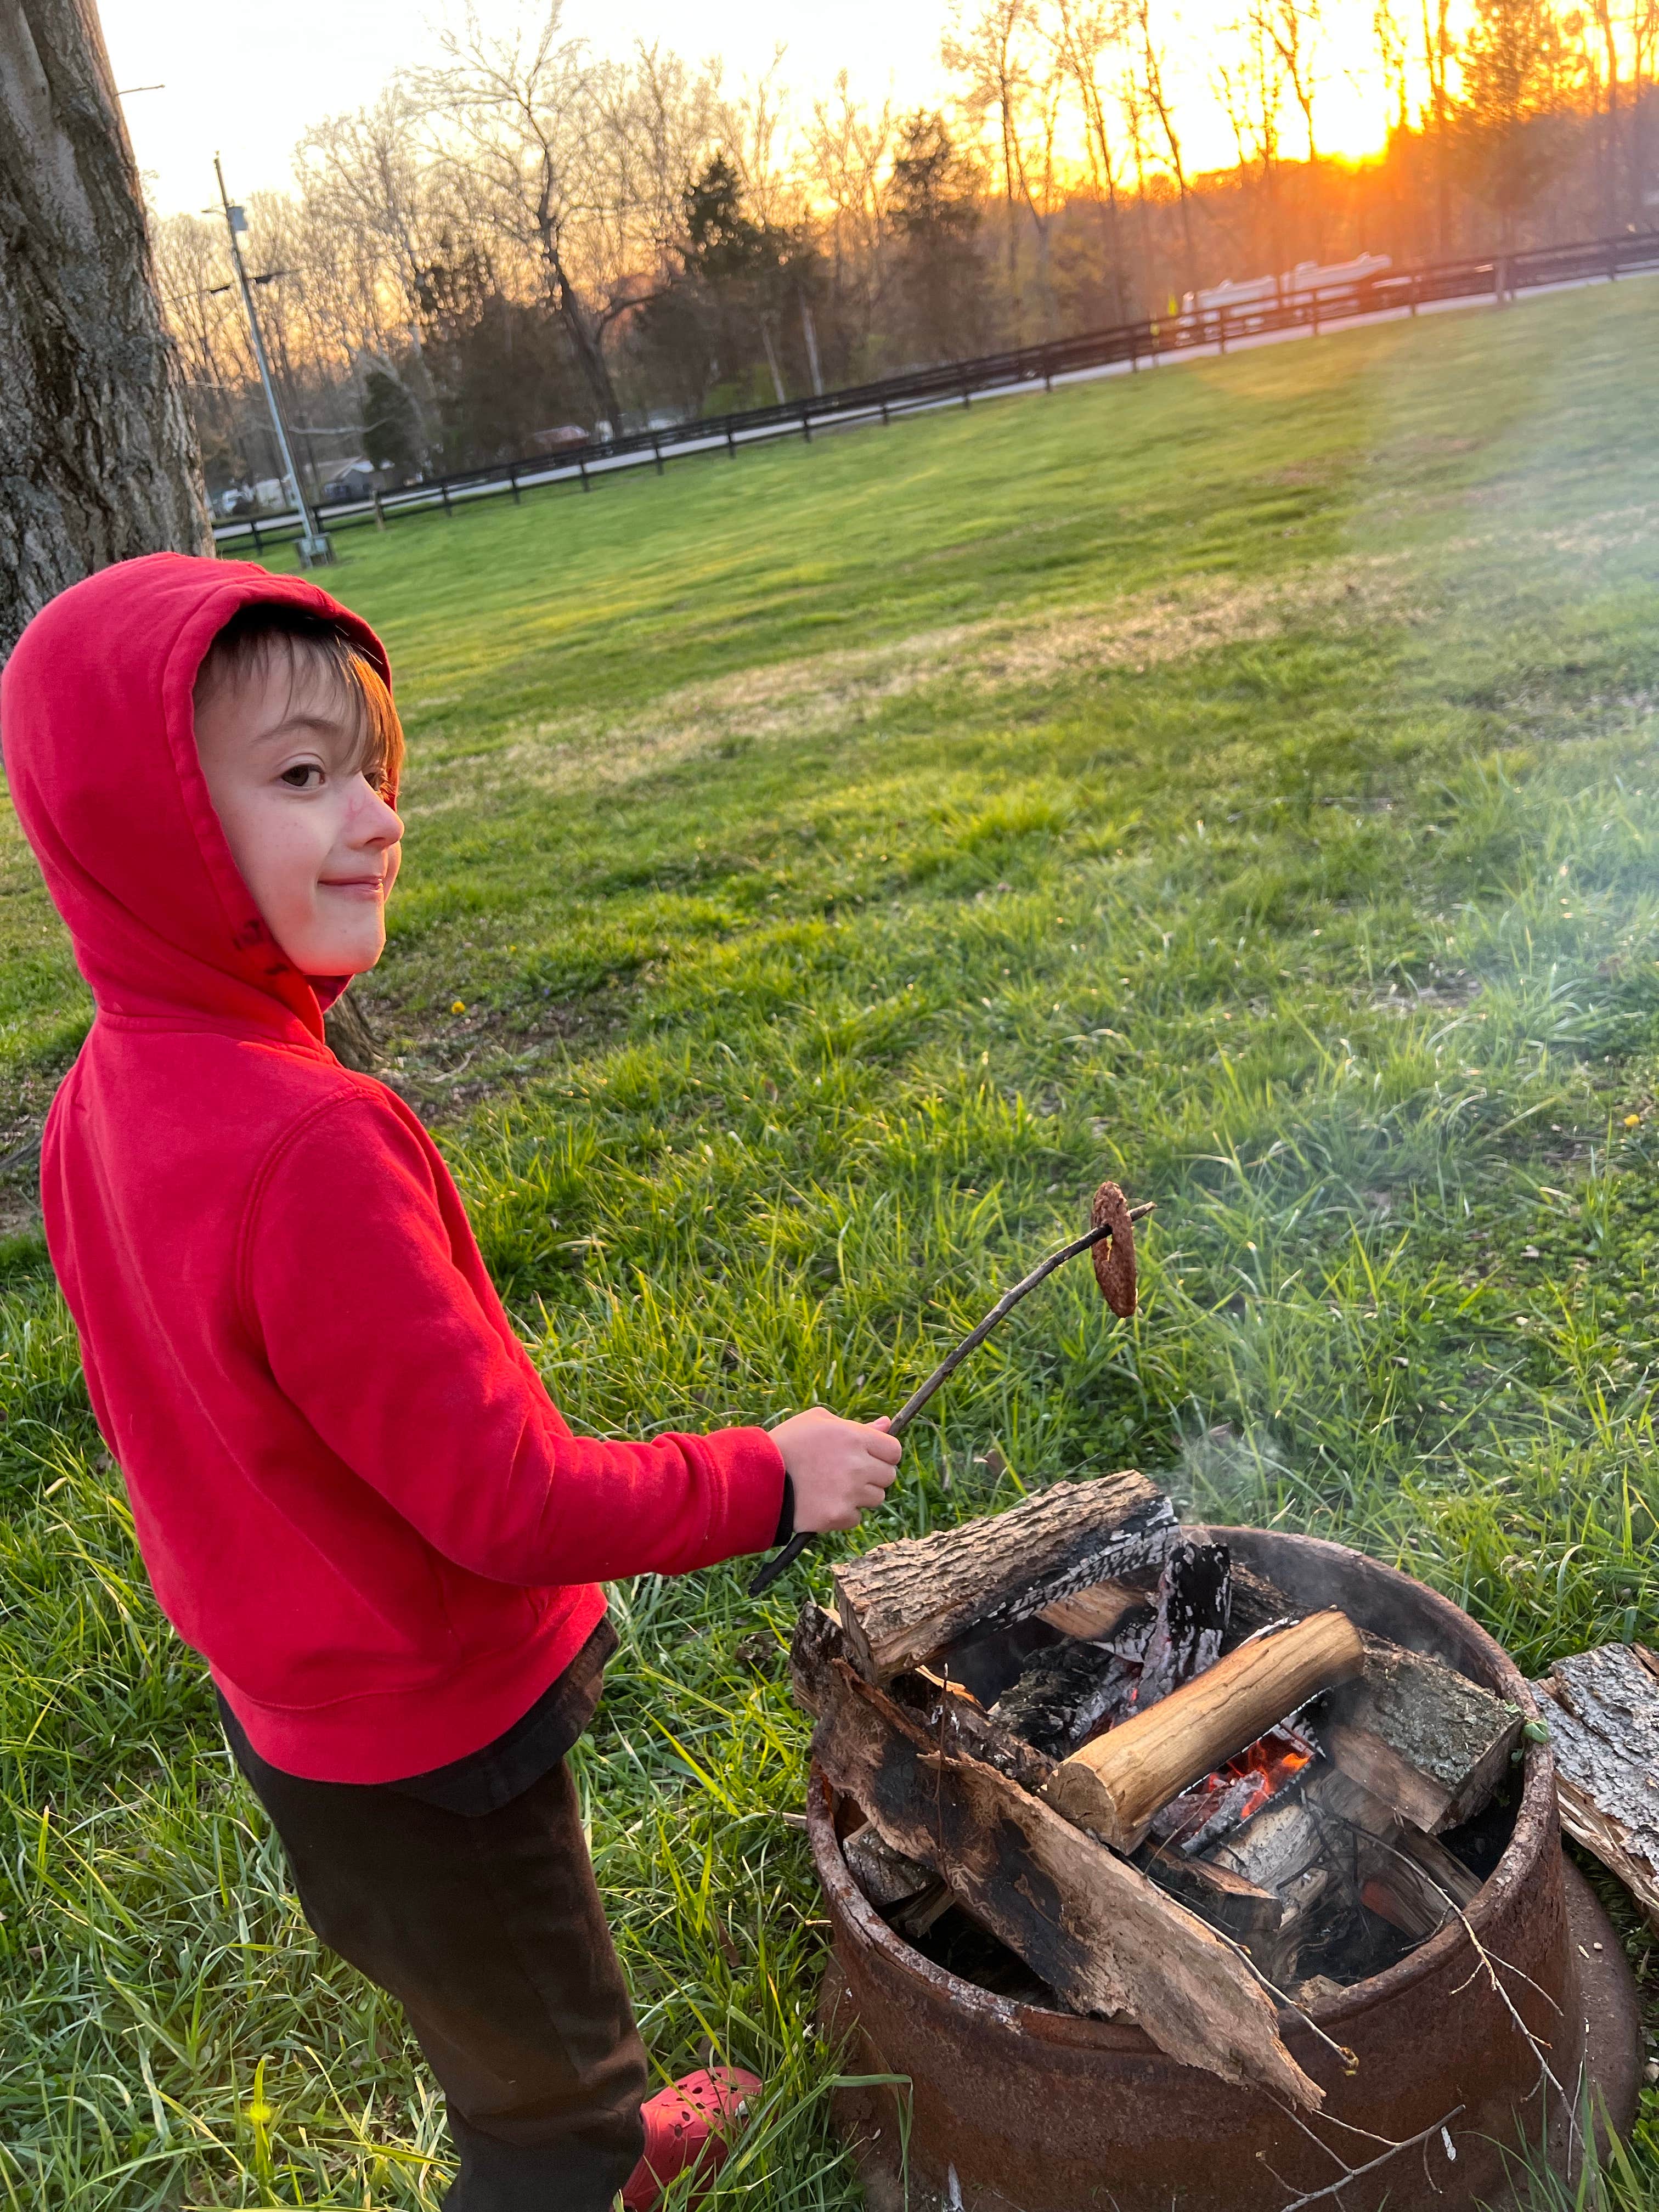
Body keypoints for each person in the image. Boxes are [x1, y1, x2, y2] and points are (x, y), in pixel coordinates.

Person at [0, 553, 902, 2210]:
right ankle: (587, 2155)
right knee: (536, 2116)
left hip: (303, 1724)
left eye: (370, 770)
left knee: (488, 2011)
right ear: (143, 823)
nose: (374, 818)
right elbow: (509, 1501)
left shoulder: (98, 1098)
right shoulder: (309, 1142)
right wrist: (771, 1476)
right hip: (438, 1736)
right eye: (298, 778)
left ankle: (593, 2124)